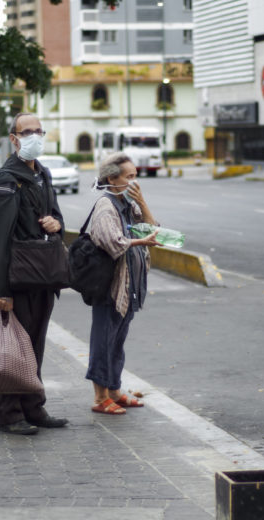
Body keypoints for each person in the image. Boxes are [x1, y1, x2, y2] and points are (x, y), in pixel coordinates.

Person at [0, 112, 68, 435]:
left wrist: (56, 223)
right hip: (16, 279)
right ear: (14, 138)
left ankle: (34, 407)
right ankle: (9, 414)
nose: (34, 136)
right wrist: (0, 291)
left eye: (38, 130)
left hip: (42, 277)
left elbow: (58, 217)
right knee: (12, 349)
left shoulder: (43, 175)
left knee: (34, 345)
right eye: (27, 131)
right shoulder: (7, 180)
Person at [87, 152, 161, 415]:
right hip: (110, 286)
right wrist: (141, 242)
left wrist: (142, 202)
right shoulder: (106, 205)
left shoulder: (128, 203)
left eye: (135, 177)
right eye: (129, 177)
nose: (134, 183)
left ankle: (115, 390)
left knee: (117, 341)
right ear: (111, 179)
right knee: (104, 341)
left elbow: (153, 229)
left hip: (130, 286)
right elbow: (113, 243)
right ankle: (99, 398)